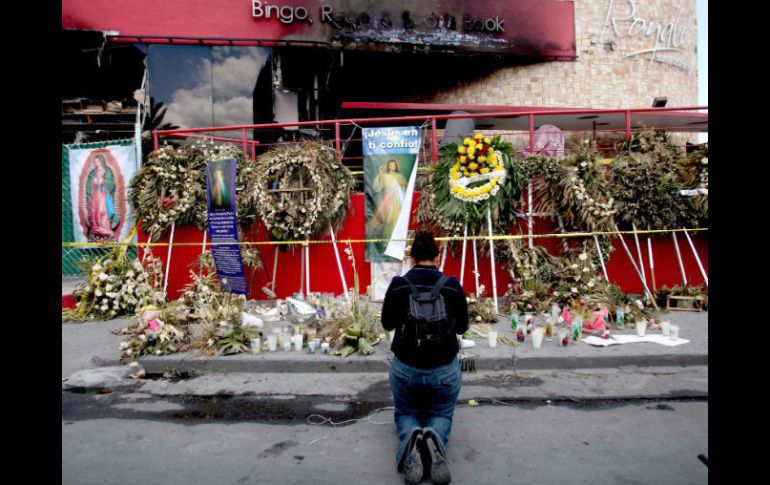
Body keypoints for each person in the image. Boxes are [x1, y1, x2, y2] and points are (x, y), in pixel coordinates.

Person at [381, 231, 469, 484]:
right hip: (444, 370)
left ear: (411, 259)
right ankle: (433, 435)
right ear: (437, 257)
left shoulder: (398, 285)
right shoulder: (451, 285)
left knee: (405, 411)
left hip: (405, 369)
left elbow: (387, 324)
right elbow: (462, 327)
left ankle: (411, 438)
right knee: (442, 413)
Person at [87, 155, 118, 240]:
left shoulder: (107, 170)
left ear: (102, 161)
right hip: (95, 194)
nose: (97, 163)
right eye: (95, 162)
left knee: (102, 212)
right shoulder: (93, 172)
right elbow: (88, 185)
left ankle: (106, 231)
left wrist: (103, 181)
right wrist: (94, 182)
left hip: (104, 194)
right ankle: (96, 232)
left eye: (98, 161)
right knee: (94, 212)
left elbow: (111, 183)